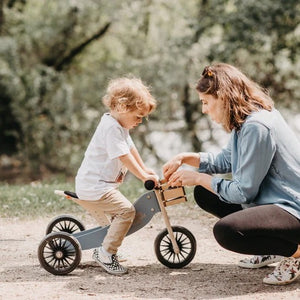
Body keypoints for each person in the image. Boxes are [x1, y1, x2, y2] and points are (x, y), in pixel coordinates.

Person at [163, 63, 300, 285]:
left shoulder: (257, 127)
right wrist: (186, 157)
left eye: (206, 103)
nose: (203, 110)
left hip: (293, 209)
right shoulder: (245, 120)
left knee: (228, 232)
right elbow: (226, 160)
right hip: (273, 202)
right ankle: (273, 246)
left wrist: (199, 177)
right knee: (204, 193)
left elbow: (242, 192)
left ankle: (295, 252)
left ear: (224, 98)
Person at [75, 77, 159, 275]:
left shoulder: (119, 125)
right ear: (122, 106)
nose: (139, 121)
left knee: (119, 214)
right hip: (94, 187)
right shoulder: (111, 128)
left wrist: (145, 170)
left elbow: (130, 149)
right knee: (126, 212)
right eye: (138, 116)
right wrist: (141, 177)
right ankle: (106, 253)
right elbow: (122, 156)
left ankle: (105, 246)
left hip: (99, 185)